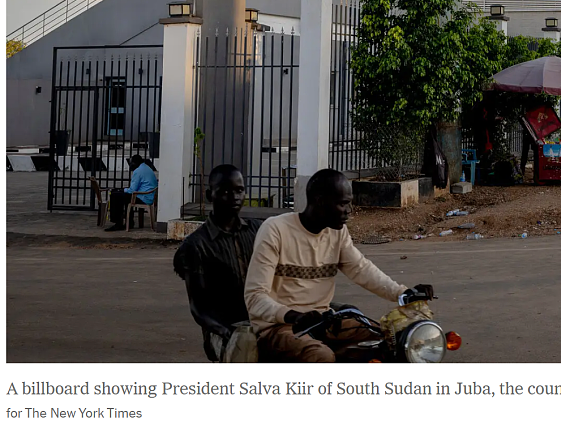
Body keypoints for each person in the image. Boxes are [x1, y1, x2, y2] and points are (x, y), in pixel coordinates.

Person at [244, 168, 431, 362]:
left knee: (391, 342)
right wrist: (293, 315)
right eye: (343, 204)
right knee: (321, 356)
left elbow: (361, 269)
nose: (349, 211)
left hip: (325, 321)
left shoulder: (336, 233)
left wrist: (403, 293)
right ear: (319, 200)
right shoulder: (275, 230)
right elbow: (255, 297)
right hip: (279, 327)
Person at [174, 165, 262, 362]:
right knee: (246, 346)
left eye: (239, 190)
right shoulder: (196, 245)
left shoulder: (258, 231)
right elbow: (199, 308)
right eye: (225, 191)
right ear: (209, 195)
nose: (234, 197)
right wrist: (228, 332)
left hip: (264, 320)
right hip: (223, 332)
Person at [103, 155, 157, 232]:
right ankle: (129, 222)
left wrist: (122, 190)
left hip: (143, 197)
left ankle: (118, 223)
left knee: (115, 195)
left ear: (135, 163)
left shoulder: (138, 171)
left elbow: (132, 190)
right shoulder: (146, 168)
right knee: (124, 196)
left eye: (132, 163)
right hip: (148, 196)